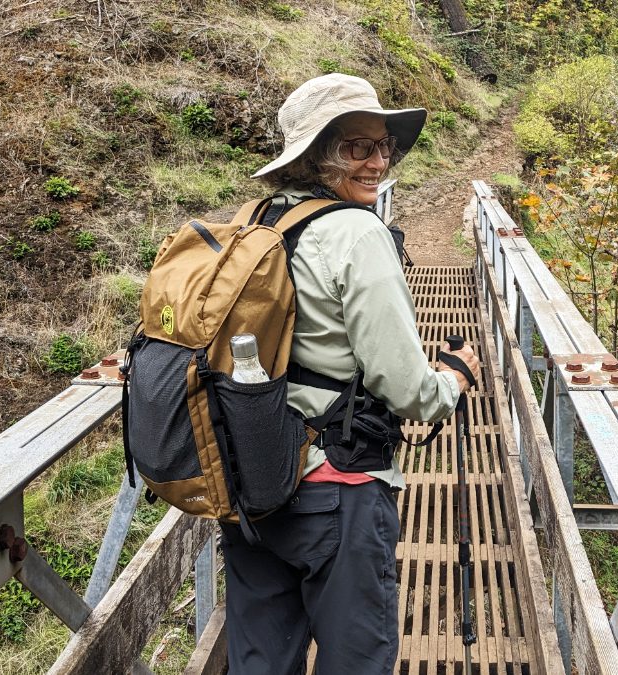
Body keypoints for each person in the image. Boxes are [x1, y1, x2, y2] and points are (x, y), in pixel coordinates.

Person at [217, 73, 481, 674]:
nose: (379, 162)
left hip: (255, 476)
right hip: (338, 488)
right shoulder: (357, 232)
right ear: (316, 154)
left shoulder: (259, 218)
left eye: (383, 146)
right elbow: (408, 389)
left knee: (260, 662)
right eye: (358, 147)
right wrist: (455, 380)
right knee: (355, 660)